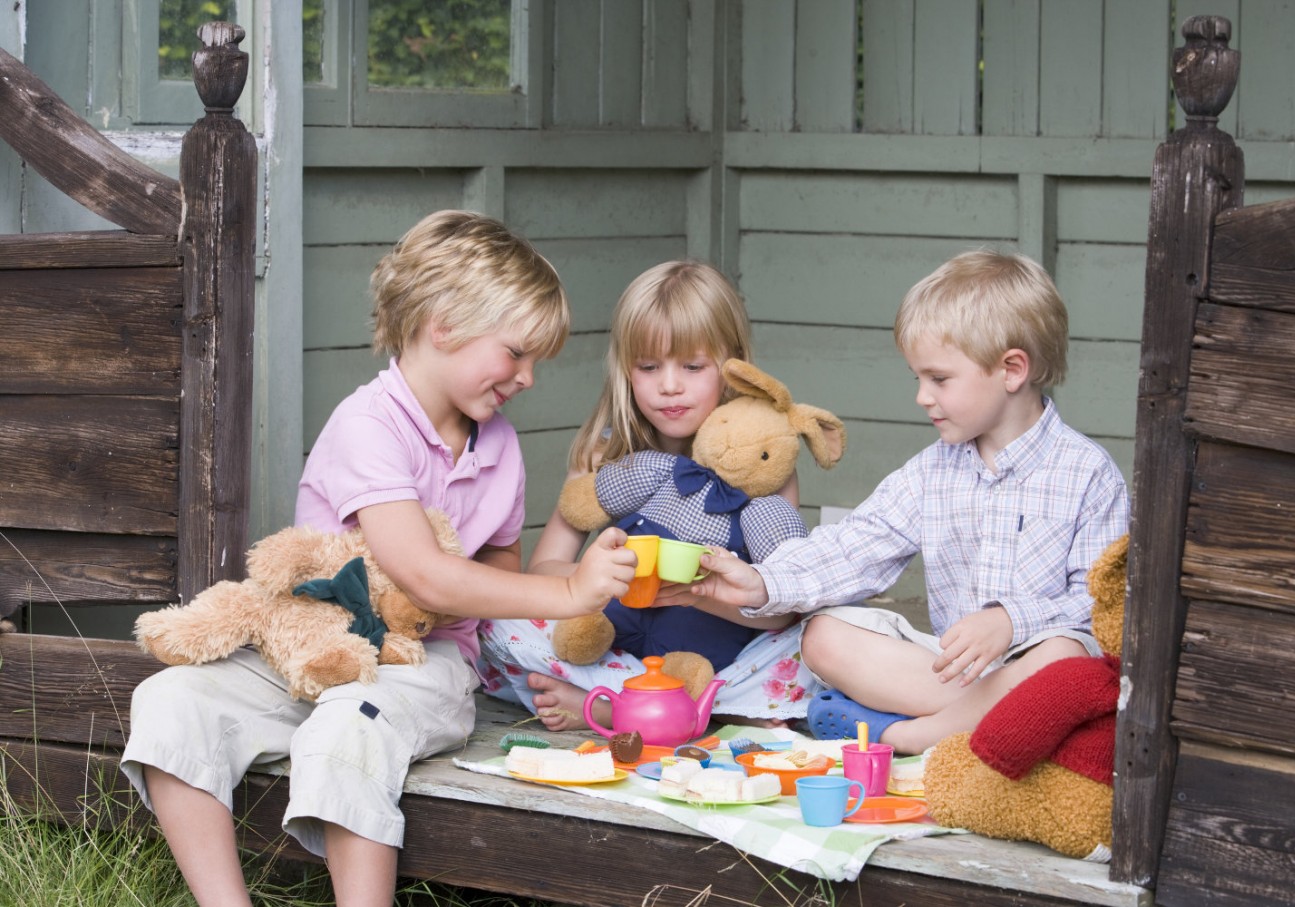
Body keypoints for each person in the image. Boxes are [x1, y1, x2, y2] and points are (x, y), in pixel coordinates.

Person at [120, 210, 635, 907]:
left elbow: (496, 576)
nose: (528, 377)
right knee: (169, 699)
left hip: (422, 666)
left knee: (350, 722)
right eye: (516, 353)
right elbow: (422, 570)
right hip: (313, 650)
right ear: (443, 325)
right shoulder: (368, 425)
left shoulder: (498, 446)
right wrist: (573, 591)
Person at [692, 250, 1129, 755]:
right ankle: (977, 725)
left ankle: (908, 735)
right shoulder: (932, 471)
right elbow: (853, 547)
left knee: (1066, 658)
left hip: (1042, 671)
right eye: (917, 378)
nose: (922, 396)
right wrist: (760, 580)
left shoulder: (1089, 474)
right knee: (824, 636)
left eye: (939, 379)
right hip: (950, 675)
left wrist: (1012, 620)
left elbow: (1103, 607)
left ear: (1011, 369)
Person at [478, 260, 822, 731]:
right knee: (496, 625)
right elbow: (542, 572)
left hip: (713, 657)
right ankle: (689, 712)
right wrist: (609, 573)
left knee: (818, 638)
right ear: (626, 369)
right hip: (615, 644)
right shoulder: (605, 454)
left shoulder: (762, 461)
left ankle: (618, 708)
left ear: (733, 366)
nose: (669, 385)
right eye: (648, 366)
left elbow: (779, 610)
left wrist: (699, 594)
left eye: (693, 366)